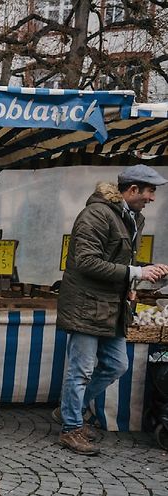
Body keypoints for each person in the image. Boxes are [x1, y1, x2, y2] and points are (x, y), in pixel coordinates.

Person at [56, 165, 168, 455]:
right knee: (80, 370)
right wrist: (136, 273)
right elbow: (85, 262)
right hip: (86, 305)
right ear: (132, 190)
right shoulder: (96, 215)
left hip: (112, 306)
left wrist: (144, 274)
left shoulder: (133, 219)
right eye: (149, 192)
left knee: (117, 365)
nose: (152, 198)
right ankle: (70, 428)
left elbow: (117, 261)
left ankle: (71, 409)